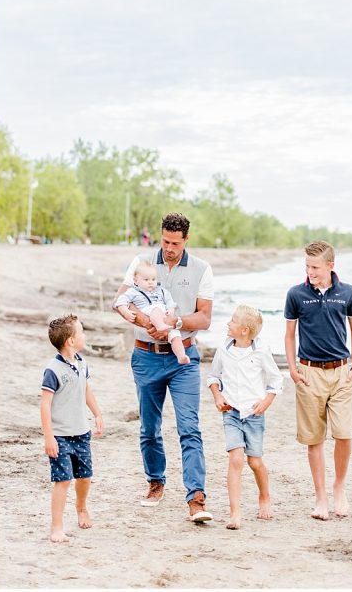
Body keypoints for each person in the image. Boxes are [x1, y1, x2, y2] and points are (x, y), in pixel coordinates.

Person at [114, 212, 214, 522]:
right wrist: (147, 322)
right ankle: (155, 482)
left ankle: (196, 497)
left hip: (183, 356)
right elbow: (119, 301)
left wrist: (176, 322)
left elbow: (205, 318)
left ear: (186, 240)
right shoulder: (141, 262)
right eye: (165, 241)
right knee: (148, 427)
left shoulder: (201, 269)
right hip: (146, 355)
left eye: (175, 243)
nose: (168, 248)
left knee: (189, 427)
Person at [284, 240, 352, 520]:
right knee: (314, 439)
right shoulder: (296, 294)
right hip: (309, 373)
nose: (310, 272)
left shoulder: (348, 293)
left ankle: (339, 487)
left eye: (315, 267)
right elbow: (290, 335)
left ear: (331, 266)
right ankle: (320, 498)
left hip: (341, 372)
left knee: (344, 434)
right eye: (307, 266)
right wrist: (293, 369)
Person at [207, 304, 284, 530]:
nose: (228, 323)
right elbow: (213, 376)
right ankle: (235, 513)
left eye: (232, 321)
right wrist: (217, 396)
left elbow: (276, 381)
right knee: (236, 459)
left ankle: (264, 497)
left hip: (253, 414)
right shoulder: (223, 350)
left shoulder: (261, 352)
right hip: (230, 411)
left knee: (255, 462)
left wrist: (266, 402)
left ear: (244, 330)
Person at [40, 315, 104, 542]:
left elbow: (86, 390)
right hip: (60, 435)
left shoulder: (81, 362)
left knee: (85, 477)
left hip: (81, 432)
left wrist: (97, 413)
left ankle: (81, 507)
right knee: (63, 480)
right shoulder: (53, 370)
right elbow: (45, 404)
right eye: (82, 332)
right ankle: (57, 527)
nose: (85, 335)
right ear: (70, 341)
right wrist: (49, 438)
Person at [115, 260, 188, 364]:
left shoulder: (161, 290)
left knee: (175, 335)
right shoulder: (133, 291)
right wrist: (125, 311)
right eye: (146, 279)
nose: (150, 282)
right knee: (156, 310)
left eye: (153, 279)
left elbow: (169, 301)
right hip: (147, 310)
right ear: (135, 280)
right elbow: (120, 301)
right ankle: (160, 326)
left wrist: (170, 310)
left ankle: (181, 356)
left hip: (163, 316)